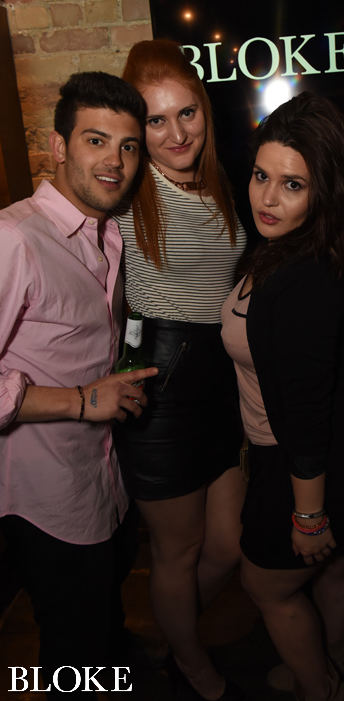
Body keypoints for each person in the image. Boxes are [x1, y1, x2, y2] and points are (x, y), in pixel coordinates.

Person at [0, 71, 158, 696]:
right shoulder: (15, 238)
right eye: (96, 141)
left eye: (127, 146)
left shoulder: (109, 232)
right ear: (59, 146)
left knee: (106, 610)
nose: (114, 161)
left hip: (102, 478)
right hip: (45, 496)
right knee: (74, 642)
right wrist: (83, 400)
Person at [221, 91, 344, 701]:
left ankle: (321, 690)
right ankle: (334, 664)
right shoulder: (280, 247)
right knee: (334, 568)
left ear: (322, 193)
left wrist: (308, 516)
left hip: (296, 464)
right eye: (261, 176)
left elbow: (305, 417)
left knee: (265, 587)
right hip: (306, 455)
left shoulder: (301, 282)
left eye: (292, 185)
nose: (267, 198)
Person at [113, 40, 248, 701]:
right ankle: (192, 666)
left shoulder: (220, 183)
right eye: (156, 121)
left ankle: (175, 636)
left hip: (221, 383)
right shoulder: (131, 188)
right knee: (179, 551)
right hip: (157, 386)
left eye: (186, 113)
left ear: (204, 110)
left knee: (229, 543)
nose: (176, 134)